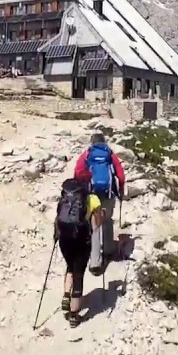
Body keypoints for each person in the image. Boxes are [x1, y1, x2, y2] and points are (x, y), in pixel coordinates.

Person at [53, 177, 104, 326]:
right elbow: (97, 223)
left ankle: (66, 296)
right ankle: (74, 315)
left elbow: (58, 218)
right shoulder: (93, 199)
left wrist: (56, 236)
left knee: (70, 266)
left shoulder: (66, 196)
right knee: (79, 274)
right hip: (82, 240)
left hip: (64, 240)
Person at [73, 133, 126, 272]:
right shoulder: (110, 154)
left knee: (95, 225)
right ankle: (108, 250)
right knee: (107, 220)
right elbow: (120, 175)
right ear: (104, 142)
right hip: (108, 194)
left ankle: (95, 262)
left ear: (92, 142)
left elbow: (78, 172)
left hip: (92, 195)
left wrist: (80, 190)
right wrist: (120, 191)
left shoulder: (87, 154)